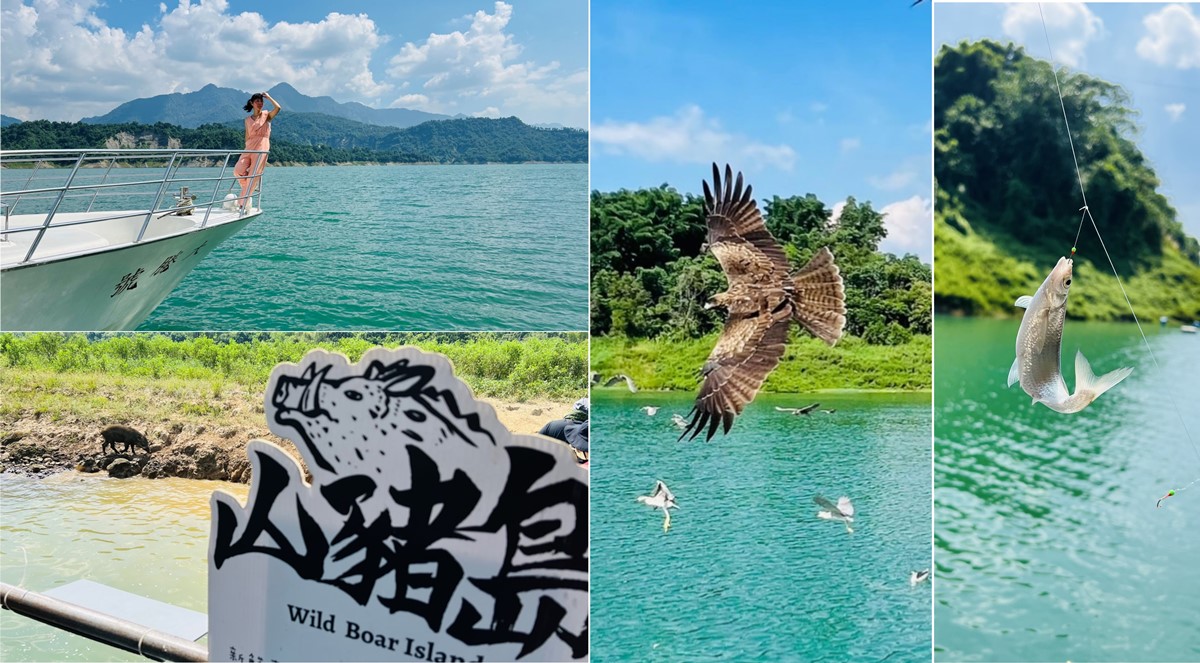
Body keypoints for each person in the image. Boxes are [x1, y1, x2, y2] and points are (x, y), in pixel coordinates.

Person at [235, 91, 281, 212]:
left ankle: (242, 204)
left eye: (261, 101)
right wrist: (246, 147)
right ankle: (250, 188)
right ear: (252, 103)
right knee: (237, 170)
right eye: (257, 101)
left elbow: (278, 108)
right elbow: (247, 135)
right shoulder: (247, 120)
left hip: (262, 146)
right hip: (249, 146)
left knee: (253, 175)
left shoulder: (266, 115)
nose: (260, 103)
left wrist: (269, 97)